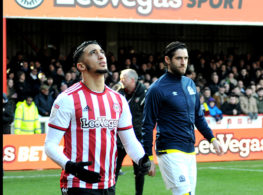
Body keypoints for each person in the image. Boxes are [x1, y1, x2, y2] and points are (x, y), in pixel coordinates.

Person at [44, 40, 150, 195]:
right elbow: (50, 145)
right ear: (81, 66)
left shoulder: (118, 100)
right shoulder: (66, 99)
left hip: (108, 184)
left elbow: (129, 141)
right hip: (77, 184)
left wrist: (142, 159)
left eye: (101, 52)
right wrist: (72, 167)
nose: (101, 56)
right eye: (93, 53)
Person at [142, 41, 223, 195]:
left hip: (189, 150)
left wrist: (212, 139)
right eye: (179, 58)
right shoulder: (156, 89)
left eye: (185, 58)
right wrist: (148, 157)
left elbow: (199, 117)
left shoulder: (190, 84)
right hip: (169, 149)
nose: (183, 62)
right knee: (183, 193)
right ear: (167, 60)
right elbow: (147, 125)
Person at [114, 69, 147, 195]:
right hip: (119, 138)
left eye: (124, 78)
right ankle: (110, 192)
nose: (121, 80)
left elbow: (148, 116)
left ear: (132, 80)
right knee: (114, 170)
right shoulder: (117, 91)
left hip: (136, 139)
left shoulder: (144, 93)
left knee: (139, 171)